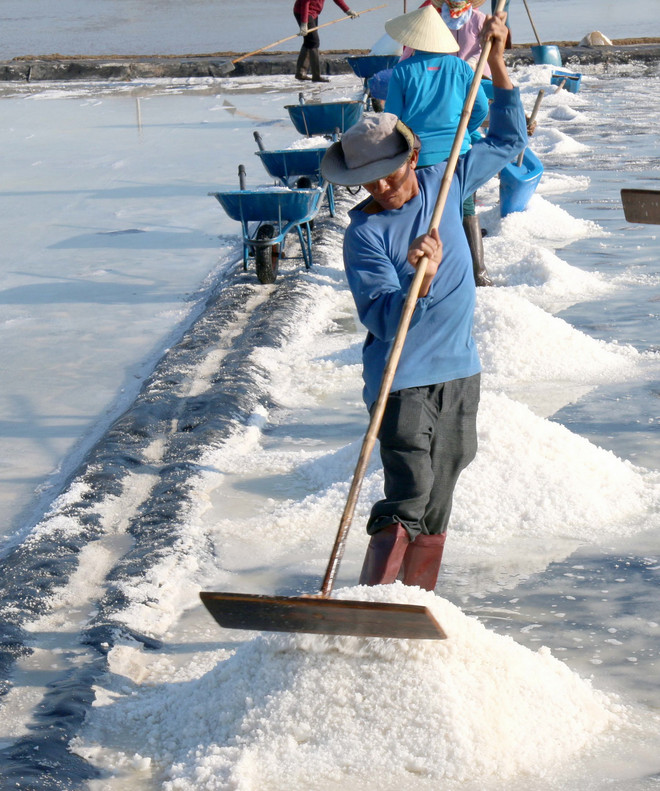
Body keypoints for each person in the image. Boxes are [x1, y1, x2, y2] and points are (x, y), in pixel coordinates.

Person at [320, 12, 526, 591]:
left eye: (390, 174)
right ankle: (373, 599)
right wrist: (421, 276)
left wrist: (497, 64)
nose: (382, 188)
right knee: (409, 490)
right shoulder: (365, 234)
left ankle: (414, 601)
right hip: (402, 378)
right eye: (369, 181)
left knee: (440, 494)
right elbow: (383, 318)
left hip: (460, 370)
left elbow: (508, 141)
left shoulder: (446, 182)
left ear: (412, 159)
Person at [383, 3, 493, 286]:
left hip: (419, 157)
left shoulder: (402, 71)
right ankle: (478, 272)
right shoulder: (461, 68)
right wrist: (463, 132)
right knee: (465, 209)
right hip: (458, 154)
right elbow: (480, 109)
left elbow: (392, 119)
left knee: (422, 212)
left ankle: (428, 273)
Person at [293, 0, 359, 82]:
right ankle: (316, 76)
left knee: (309, 41)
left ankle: (300, 73)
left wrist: (348, 11)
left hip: (314, 13)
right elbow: (305, 3)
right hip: (303, 12)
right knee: (314, 42)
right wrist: (304, 24)